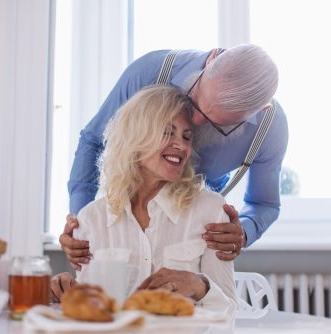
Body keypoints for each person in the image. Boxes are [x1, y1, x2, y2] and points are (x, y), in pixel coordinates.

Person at [61, 44, 288, 270]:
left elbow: (264, 204)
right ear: (212, 59)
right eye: (194, 99)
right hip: (125, 223)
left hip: (190, 244)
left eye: (216, 124)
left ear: (260, 110)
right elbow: (94, 141)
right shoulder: (151, 71)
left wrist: (242, 234)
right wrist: (80, 226)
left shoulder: (269, 129)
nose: (194, 123)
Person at [51, 85, 237, 312]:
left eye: (186, 137)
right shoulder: (91, 218)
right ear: (135, 137)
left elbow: (230, 311)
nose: (181, 145)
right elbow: (91, 311)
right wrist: (65, 290)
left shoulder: (211, 210)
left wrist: (200, 285)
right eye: (168, 132)